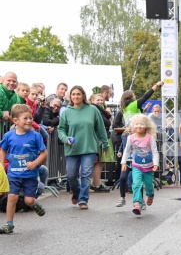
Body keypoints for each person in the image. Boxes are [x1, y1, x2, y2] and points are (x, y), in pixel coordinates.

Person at [57, 85, 109, 210]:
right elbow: (61, 130)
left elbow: (100, 128)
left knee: (86, 174)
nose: (76, 96)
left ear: (83, 95)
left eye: (78, 94)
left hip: (89, 147)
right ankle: (76, 192)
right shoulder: (67, 111)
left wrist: (105, 144)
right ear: (70, 96)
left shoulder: (92, 109)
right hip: (72, 148)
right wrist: (65, 139)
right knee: (71, 175)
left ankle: (83, 199)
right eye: (73, 94)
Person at [0, 104, 47, 234]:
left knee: (28, 200)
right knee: (12, 197)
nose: (29, 121)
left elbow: (44, 153)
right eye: (25, 118)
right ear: (15, 121)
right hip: (13, 173)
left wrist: (35, 163)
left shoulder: (35, 136)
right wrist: (1, 165)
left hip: (30, 174)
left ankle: (35, 204)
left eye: (30, 118)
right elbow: (3, 150)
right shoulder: (9, 136)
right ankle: (9, 224)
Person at [120, 114, 159, 215]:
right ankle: (137, 203)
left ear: (146, 126)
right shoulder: (131, 138)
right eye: (136, 124)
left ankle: (150, 195)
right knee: (136, 184)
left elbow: (155, 152)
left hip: (149, 167)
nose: (139, 126)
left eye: (142, 124)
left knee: (149, 185)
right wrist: (123, 162)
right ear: (133, 126)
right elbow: (127, 151)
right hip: (136, 166)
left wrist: (156, 164)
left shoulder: (150, 138)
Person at [88, 93, 112, 193]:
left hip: (98, 138)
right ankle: (96, 184)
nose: (100, 102)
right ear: (92, 100)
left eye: (101, 100)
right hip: (98, 138)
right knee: (98, 162)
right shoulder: (94, 109)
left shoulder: (97, 109)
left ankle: (95, 183)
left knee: (98, 162)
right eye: (98, 100)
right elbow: (107, 122)